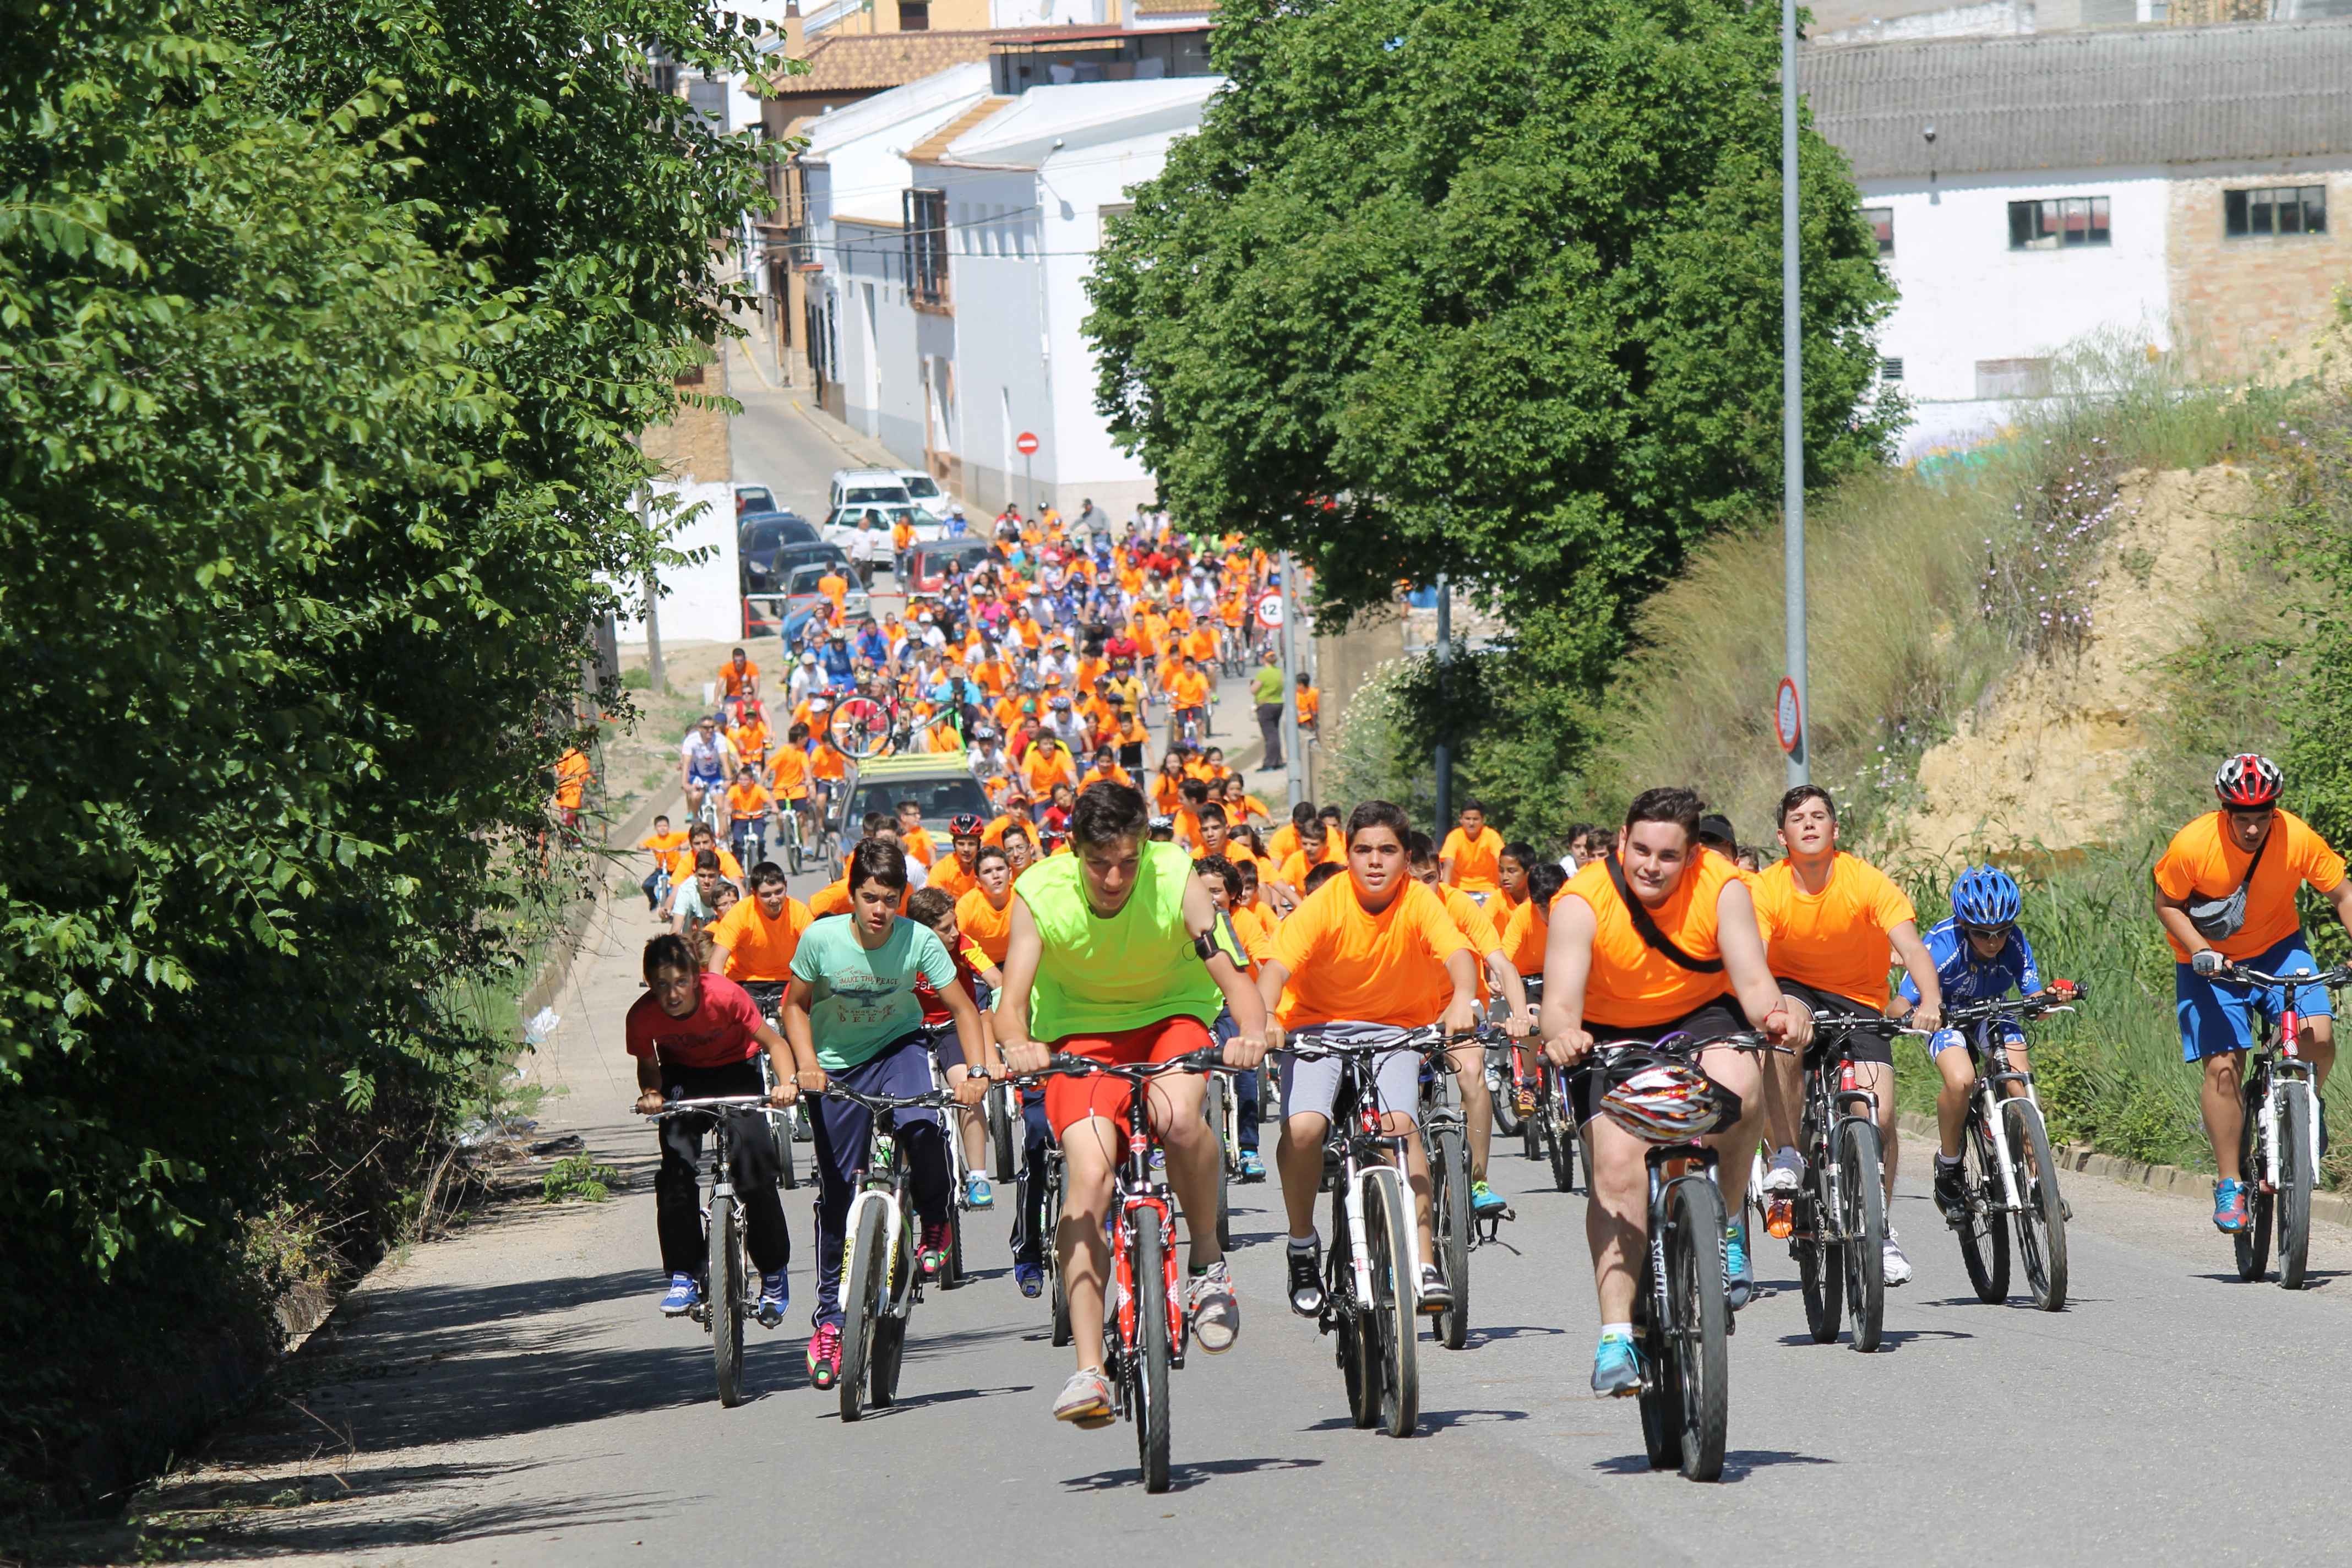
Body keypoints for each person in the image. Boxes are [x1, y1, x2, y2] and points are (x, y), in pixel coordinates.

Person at [991, 782, 1268, 1427]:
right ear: (1073, 851)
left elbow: (1231, 972)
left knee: (1176, 1117)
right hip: (1078, 1036)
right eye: (1098, 862)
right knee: (1088, 1177)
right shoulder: (1040, 891)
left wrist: (1251, 1032)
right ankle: (1089, 1369)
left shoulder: (1175, 875)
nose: (1114, 877)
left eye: (1127, 860)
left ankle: (1206, 1262)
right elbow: (1010, 1004)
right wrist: (1020, 1045)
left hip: (1173, 1018)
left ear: (1145, 846)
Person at [1536, 788, 1812, 1393]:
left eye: (1667, 855)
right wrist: (1561, 1035)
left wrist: (1775, 1014)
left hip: (1698, 1014)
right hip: (1602, 1032)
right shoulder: (1581, 900)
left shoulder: (1722, 886)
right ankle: (1615, 1338)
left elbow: (1751, 979)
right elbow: (1558, 1003)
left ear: (1690, 858)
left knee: (1741, 1080)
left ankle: (1728, 1221)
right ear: (1621, 841)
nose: (1651, 866)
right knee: (1616, 1164)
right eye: (1640, 850)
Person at [1258, 801, 1480, 1320]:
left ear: (1406, 858)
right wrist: (1267, 1015)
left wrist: (1460, 999)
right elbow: (1275, 968)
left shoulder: (1419, 901)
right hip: (1317, 1028)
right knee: (1307, 1128)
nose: (1375, 862)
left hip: (1393, 1030)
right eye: (1363, 850)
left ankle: (1425, 1264)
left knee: (1401, 1128)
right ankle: (1302, 1245)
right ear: (1348, 854)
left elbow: (1457, 956)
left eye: (1388, 851)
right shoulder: (1326, 903)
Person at [783, 840, 989, 1390]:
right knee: (835, 1194)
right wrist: (806, 1064)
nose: (879, 910)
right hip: (833, 1068)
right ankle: (830, 1321)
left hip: (898, 1049)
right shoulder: (821, 940)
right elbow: (793, 1005)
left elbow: (965, 1008)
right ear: (852, 894)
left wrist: (977, 1073)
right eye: (870, 897)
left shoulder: (918, 939)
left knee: (922, 1127)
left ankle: (937, 1220)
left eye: (890, 899)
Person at [1749, 785, 1942, 1290]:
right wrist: (1771, 1009)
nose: (1809, 824)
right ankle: (1787, 1152)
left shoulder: (1866, 880)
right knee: (1783, 1027)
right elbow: (1754, 959)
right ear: (1782, 835)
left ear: (1835, 831)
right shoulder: (1766, 888)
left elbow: (1912, 948)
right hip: (1791, 988)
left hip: (1860, 998)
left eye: (1819, 816)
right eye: (1798, 818)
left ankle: (1879, 1229)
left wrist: (1931, 1003)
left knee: (1881, 1115)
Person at [2153, 754, 2352, 1233]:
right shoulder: (2193, 845)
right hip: (2209, 962)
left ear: (2274, 811)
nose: (2253, 829)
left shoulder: (2296, 837)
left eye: (2262, 818)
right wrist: (2200, 949)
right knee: (2224, 1068)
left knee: (2318, 1036)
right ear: (2226, 812)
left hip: (2280, 948)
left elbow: (2342, 894)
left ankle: (2308, 1104)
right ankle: (2228, 1183)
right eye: (2243, 819)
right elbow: (2167, 903)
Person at [628, 934, 804, 1325]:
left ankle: (773, 1273)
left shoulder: (725, 996)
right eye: (660, 985)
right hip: (683, 1077)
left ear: (696, 977)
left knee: (756, 1172)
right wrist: (652, 1093)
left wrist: (787, 1084)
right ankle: (683, 1274)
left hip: (735, 1072)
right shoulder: (642, 1017)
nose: (672, 994)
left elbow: (775, 1044)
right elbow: (648, 1063)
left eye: (679, 982)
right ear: (649, 984)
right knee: (675, 1172)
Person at [1899, 866, 2067, 1225]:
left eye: (2002, 932)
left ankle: (2040, 1182)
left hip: (1993, 1009)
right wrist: (1913, 1016)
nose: (1994, 942)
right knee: (1961, 1079)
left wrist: (2050, 999)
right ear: (1963, 926)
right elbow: (1899, 1002)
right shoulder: (1941, 944)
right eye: (1982, 933)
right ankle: (1948, 1163)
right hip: (1947, 1015)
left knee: (2019, 1079)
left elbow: (2034, 1003)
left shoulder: (2017, 942)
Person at [1405, 832, 1532, 1220]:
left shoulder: (1459, 906)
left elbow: (1503, 965)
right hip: (1404, 1016)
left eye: (1430, 879)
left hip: (1458, 1011)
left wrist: (1521, 1014)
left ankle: (1478, 1181)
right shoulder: (1390, 911)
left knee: (1473, 1073)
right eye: (1414, 880)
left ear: (1440, 875)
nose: (1423, 888)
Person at [1440, 798, 1506, 901]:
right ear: (1461, 819)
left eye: (1476, 819)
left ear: (1483, 820)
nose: (1471, 823)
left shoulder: (1491, 836)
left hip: (1488, 890)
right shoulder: (1455, 836)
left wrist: (1504, 890)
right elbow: (1448, 864)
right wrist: (1445, 892)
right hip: (1459, 890)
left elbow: (1501, 861)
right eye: (1468, 819)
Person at [678, 714, 734, 834]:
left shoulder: (719, 739)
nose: (710, 730)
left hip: (714, 775)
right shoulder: (691, 741)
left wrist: (729, 780)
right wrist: (685, 784)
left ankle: (723, 835)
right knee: (696, 795)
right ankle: (695, 817)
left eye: (712, 727)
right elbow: (686, 764)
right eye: (706, 728)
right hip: (697, 774)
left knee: (720, 804)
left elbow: (725, 761)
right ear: (699, 729)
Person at [638, 813, 688, 912]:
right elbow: (641, 845)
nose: (662, 828)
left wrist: (683, 846)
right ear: (655, 828)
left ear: (669, 827)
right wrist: (645, 847)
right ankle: (654, 901)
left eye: (665, 826)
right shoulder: (654, 840)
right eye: (660, 826)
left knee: (684, 887)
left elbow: (690, 836)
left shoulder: (674, 837)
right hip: (661, 868)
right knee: (647, 885)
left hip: (676, 868)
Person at [1250, 647, 1285, 772]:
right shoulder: (1279, 672)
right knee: (1275, 733)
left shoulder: (1263, 674)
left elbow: (1254, 690)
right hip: (1279, 703)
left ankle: (1270, 763)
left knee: (1270, 736)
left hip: (1266, 705)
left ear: (1264, 659)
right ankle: (1278, 760)